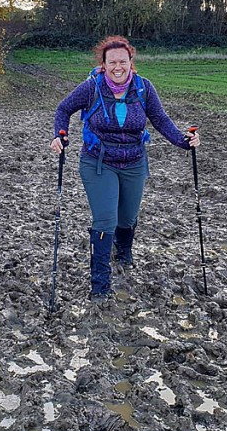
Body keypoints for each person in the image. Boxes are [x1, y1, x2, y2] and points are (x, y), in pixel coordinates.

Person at [51, 35, 200, 300]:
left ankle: (124, 252)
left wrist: (184, 141)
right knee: (105, 219)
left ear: (131, 62)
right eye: (112, 62)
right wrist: (58, 135)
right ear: (104, 64)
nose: (118, 67)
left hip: (134, 161)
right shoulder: (92, 87)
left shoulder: (144, 88)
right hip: (98, 162)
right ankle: (100, 285)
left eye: (123, 61)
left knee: (127, 218)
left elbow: (160, 120)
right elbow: (63, 109)